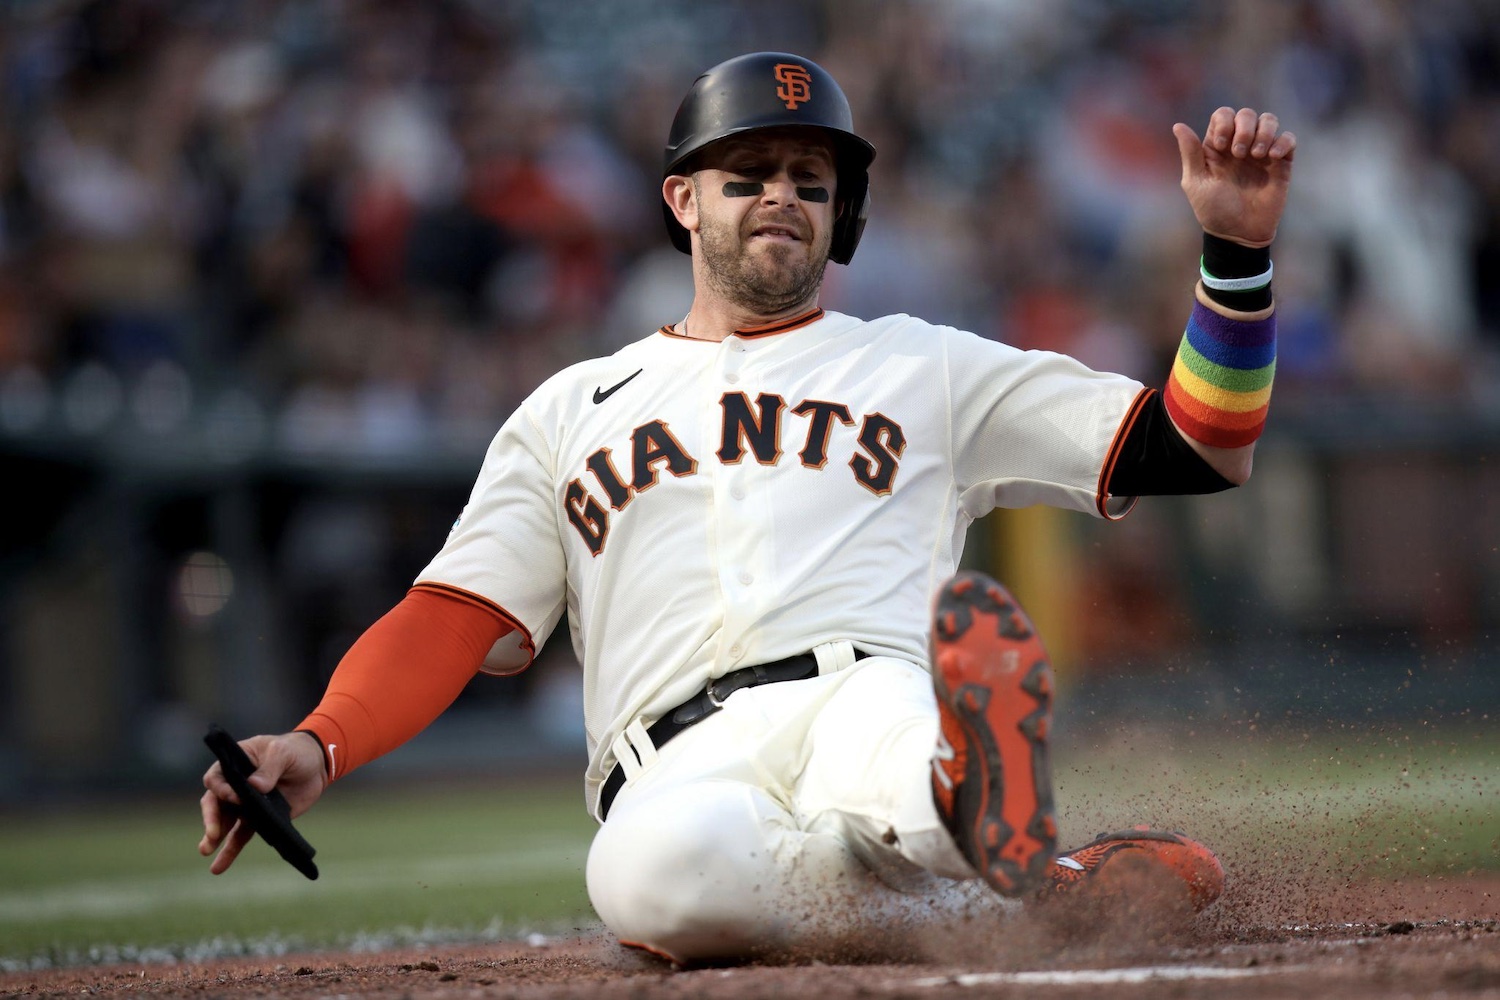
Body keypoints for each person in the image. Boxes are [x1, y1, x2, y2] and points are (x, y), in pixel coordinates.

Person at [200, 51, 1293, 964]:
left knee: (904, 764)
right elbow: (455, 612)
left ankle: (970, 803)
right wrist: (320, 739)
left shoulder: (924, 365)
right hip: (673, 757)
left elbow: (1194, 446)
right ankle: (1026, 885)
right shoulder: (570, 407)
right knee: (655, 877)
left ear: (839, 215)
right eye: (749, 173)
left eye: (811, 181)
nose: (784, 194)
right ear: (682, 199)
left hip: (864, 687)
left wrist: (1236, 257)